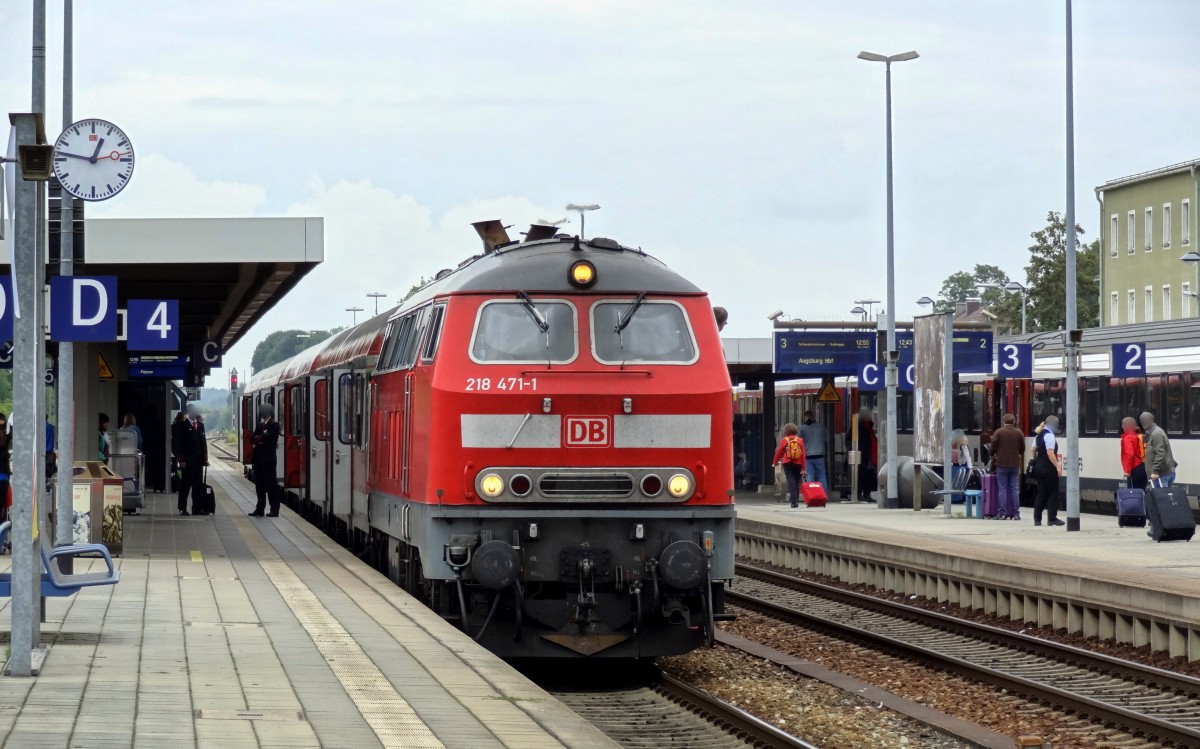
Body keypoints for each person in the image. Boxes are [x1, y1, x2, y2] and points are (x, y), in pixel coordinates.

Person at [989, 414, 1025, 520]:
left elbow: (993, 446)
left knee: (1002, 489)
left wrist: (992, 455)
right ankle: (1016, 513)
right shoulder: (1019, 433)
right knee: (1014, 489)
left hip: (1001, 464)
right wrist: (1017, 454)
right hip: (1015, 464)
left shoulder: (999, 432)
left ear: (1003, 422)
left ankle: (1002, 513)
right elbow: (1022, 448)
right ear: (1014, 422)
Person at [172, 408, 207, 516]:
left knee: (198, 485)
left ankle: (197, 508)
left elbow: (203, 442)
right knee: (185, 485)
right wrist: (181, 459)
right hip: (187, 461)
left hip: (199, 460)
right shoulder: (182, 426)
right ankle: (182, 508)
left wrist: (205, 458)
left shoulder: (200, 425)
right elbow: (177, 444)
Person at [250, 403, 282, 517]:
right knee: (259, 485)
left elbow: (268, 437)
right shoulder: (260, 425)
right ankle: (260, 508)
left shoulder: (274, 425)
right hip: (258, 459)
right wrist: (259, 438)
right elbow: (252, 438)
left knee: (271, 485)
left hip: (268, 460)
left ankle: (274, 509)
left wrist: (260, 438)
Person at [1031, 415, 1064, 526]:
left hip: (1038, 467)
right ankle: (1052, 518)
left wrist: (1037, 459)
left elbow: (1033, 449)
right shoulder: (1049, 436)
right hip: (1048, 468)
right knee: (1053, 493)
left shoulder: (1039, 435)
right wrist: (1058, 466)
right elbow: (1050, 453)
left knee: (1041, 493)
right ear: (1055, 424)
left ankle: (1037, 519)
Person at [772, 423, 806, 508]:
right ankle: (796, 500)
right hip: (798, 463)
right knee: (797, 481)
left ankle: (793, 502)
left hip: (787, 462)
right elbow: (803, 455)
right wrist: (803, 468)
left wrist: (774, 462)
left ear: (786, 431)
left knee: (791, 480)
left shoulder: (785, 440)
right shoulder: (800, 440)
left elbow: (779, 452)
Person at [848, 407, 878, 501]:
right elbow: (849, 439)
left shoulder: (869, 425)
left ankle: (866, 494)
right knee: (860, 475)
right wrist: (855, 449)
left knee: (869, 474)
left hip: (869, 455)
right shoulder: (857, 425)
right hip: (861, 454)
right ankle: (858, 494)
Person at [1140, 411, 1176, 487]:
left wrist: (1155, 471)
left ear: (1152, 420)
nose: (1143, 422)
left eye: (1146, 419)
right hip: (1162, 474)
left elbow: (1160, 453)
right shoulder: (1152, 433)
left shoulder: (1156, 434)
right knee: (1162, 494)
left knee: (1161, 494)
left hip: (1161, 474)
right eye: (1141, 420)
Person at [798, 410, 828, 494]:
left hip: (808, 456)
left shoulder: (803, 428)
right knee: (822, 475)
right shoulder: (821, 426)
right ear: (813, 416)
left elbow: (799, 441)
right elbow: (827, 439)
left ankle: (811, 494)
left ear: (805, 417)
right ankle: (823, 493)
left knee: (809, 476)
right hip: (820, 455)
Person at [1119, 416, 1148, 490]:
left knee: (1133, 492)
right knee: (1142, 491)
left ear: (1124, 426)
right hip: (1144, 466)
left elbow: (1130, 454)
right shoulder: (1139, 436)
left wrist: (1127, 471)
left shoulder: (1127, 437)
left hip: (1135, 468)